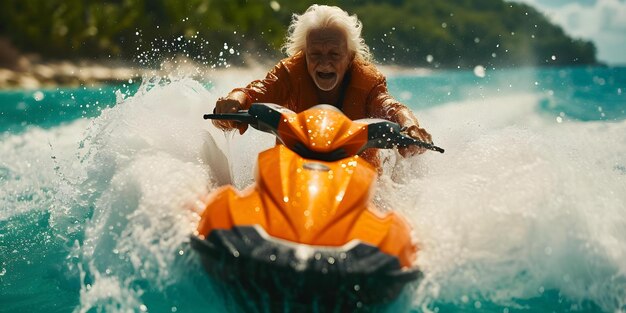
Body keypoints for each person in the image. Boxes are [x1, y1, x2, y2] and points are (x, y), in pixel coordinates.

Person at [213, 4, 433, 168]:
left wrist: (409, 125)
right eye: (315, 54)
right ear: (304, 54)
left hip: (358, 180)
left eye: (334, 54)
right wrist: (234, 99)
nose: (324, 62)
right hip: (293, 174)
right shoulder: (290, 73)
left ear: (350, 57)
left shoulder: (367, 81)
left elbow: (391, 107)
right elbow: (256, 91)